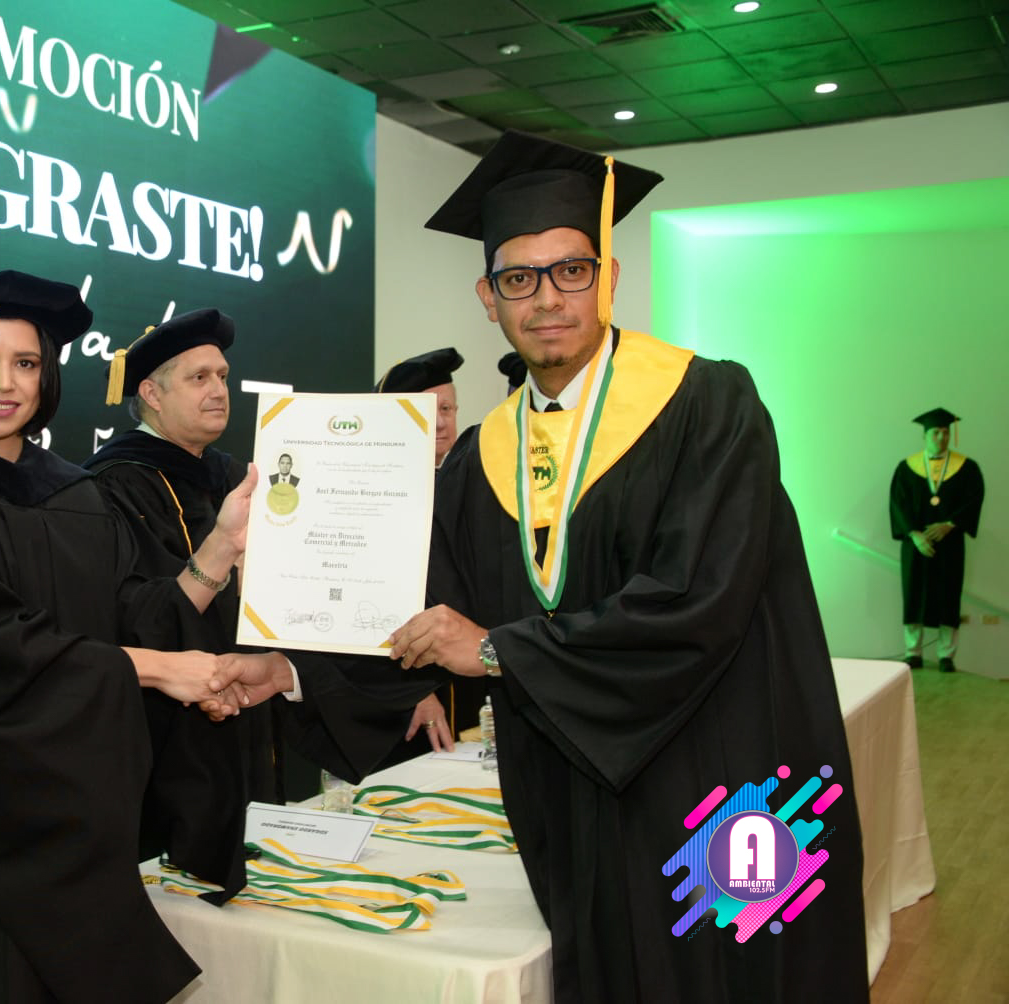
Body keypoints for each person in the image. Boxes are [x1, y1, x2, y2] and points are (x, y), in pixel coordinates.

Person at [381, 129, 867, 1000]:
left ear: (608, 276)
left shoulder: (706, 404)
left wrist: (496, 650)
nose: (547, 299)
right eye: (518, 279)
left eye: (571, 270)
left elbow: (697, 600)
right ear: (488, 298)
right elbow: (428, 612)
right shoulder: (479, 457)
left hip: (709, 774)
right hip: (566, 787)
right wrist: (289, 660)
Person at [0, 271, 255, 1003]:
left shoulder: (76, 493)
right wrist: (160, 670)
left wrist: (218, 550)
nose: (5, 383)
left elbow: (132, 612)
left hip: (64, 796)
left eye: (25, 363)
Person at [85, 306, 277, 887]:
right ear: (151, 393)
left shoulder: (232, 475)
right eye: (199, 378)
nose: (219, 390)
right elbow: (128, 618)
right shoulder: (112, 484)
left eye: (222, 376)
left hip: (248, 703)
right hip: (167, 726)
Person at [372, 347, 465, 756]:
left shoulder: (468, 487)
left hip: (468, 685)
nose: (442, 422)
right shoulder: (373, 495)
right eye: (429, 409)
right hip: (401, 700)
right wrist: (412, 693)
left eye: (448, 408)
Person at [889, 407, 984, 672]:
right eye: (935, 432)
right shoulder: (907, 468)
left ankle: (946, 655)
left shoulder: (966, 468)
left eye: (945, 432)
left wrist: (950, 524)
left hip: (950, 544)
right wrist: (914, 534)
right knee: (913, 596)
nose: (941, 437)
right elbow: (898, 504)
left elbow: (973, 500)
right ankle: (913, 652)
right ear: (925, 436)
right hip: (916, 545)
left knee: (948, 596)